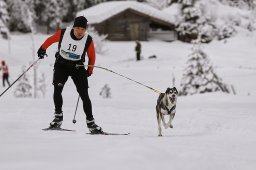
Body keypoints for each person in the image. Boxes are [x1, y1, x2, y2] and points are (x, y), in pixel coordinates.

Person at [37, 16, 103, 134]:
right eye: (77, 28)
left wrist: (90, 70)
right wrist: (42, 49)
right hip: (61, 65)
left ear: (85, 30)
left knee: (84, 95)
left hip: (77, 67)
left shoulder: (88, 39)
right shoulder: (63, 33)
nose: (80, 31)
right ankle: (58, 118)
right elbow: (50, 40)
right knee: (57, 90)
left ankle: (91, 123)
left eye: (82, 29)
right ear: (73, 27)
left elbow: (92, 56)